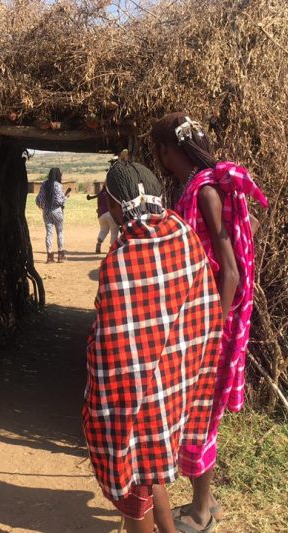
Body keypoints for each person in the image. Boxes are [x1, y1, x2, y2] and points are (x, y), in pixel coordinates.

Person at [83, 161, 223, 533]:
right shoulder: (183, 235)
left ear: (114, 206)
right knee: (148, 470)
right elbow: (206, 315)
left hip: (133, 397)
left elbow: (111, 348)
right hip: (176, 386)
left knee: (133, 487)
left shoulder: (121, 259)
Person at [151, 113, 268, 532]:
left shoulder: (205, 192)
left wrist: (211, 328)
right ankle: (208, 501)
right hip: (203, 315)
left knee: (200, 416)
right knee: (202, 413)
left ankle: (200, 513)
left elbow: (231, 272)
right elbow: (247, 228)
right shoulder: (207, 188)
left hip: (209, 323)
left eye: (158, 149)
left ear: (167, 151)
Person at [35, 167, 68, 263]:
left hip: (46, 212)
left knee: (49, 233)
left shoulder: (44, 184)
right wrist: (66, 197)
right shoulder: (58, 185)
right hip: (57, 211)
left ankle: (49, 256)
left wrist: (42, 206)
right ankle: (60, 255)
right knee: (60, 233)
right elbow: (60, 201)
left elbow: (39, 199)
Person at [86, 186, 118, 254]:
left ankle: (99, 243)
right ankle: (112, 248)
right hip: (111, 214)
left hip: (101, 215)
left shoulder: (100, 194)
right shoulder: (112, 193)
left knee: (103, 230)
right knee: (114, 231)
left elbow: (98, 206)